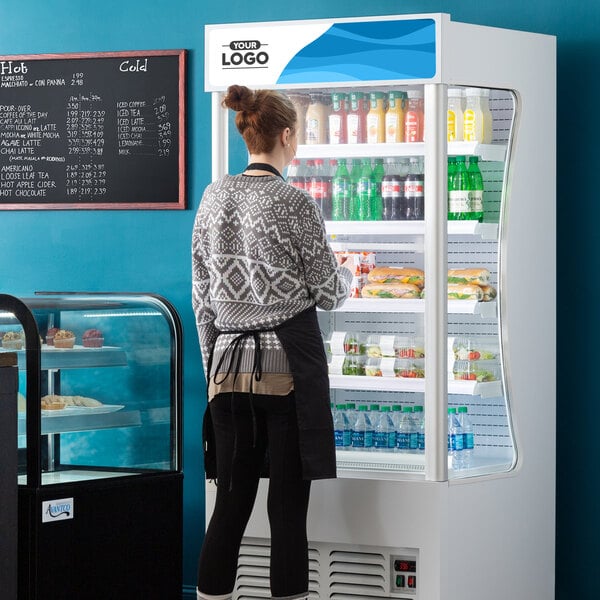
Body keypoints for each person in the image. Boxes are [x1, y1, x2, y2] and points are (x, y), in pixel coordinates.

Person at [191, 84, 353, 600]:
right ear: (286, 135)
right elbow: (328, 293)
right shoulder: (295, 202)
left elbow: (201, 298)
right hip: (287, 367)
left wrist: (212, 369)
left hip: (227, 365)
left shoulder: (214, 196)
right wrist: (348, 273)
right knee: (286, 509)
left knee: (230, 505)